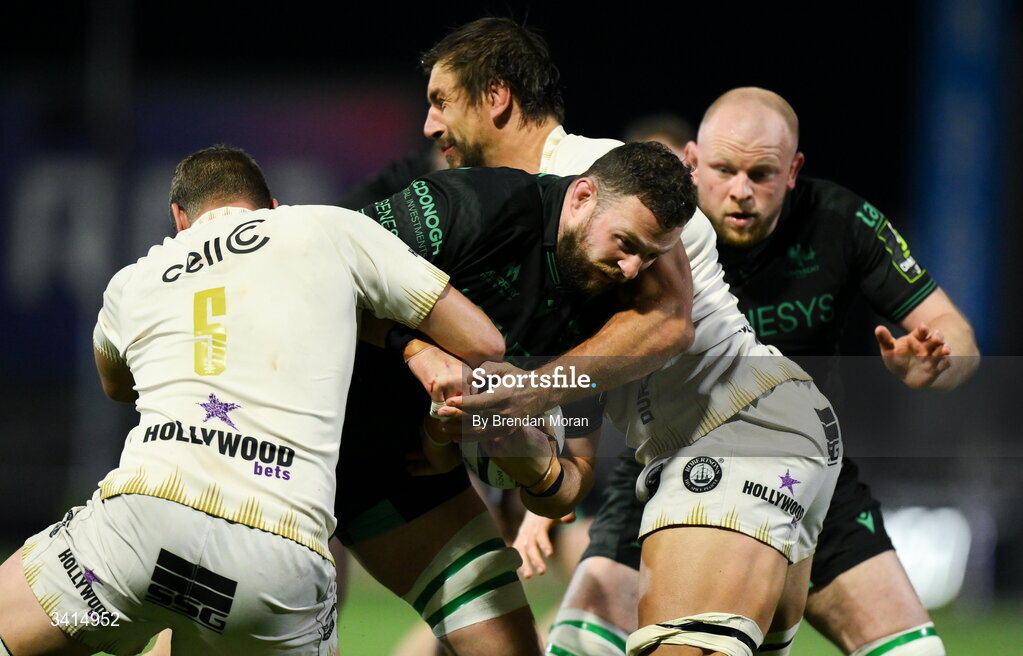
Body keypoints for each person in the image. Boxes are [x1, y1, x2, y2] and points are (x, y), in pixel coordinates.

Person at [420, 18, 845, 656]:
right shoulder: (530, 222)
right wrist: (530, 457)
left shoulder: (591, 172)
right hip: (720, 439)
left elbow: (670, 322)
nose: (429, 126)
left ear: (496, 97)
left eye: (440, 101)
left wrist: (535, 392)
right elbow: (580, 438)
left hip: (738, 430)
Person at [527, 88, 980, 656]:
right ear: (691, 163)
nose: (740, 190)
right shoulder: (649, 237)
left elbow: (954, 332)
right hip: (672, 470)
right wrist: (564, 467)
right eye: (723, 170)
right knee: (574, 645)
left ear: (794, 170)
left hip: (804, 469)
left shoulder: (841, 220)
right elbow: (597, 353)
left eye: (761, 173)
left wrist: (936, 361)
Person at [0, 145, 504, 655]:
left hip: (136, 536)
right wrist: (411, 345)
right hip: (280, 567)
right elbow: (484, 343)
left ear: (179, 217)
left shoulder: (132, 282)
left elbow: (116, 385)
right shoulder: (325, 228)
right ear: (273, 206)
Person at [329, 139, 698, 656]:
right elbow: (322, 276)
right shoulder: (476, 205)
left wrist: (535, 470)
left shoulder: (601, 316)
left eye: (650, 257)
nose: (633, 270)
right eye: (626, 243)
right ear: (582, 197)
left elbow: (574, 479)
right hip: (303, 439)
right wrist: (413, 348)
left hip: (404, 470)